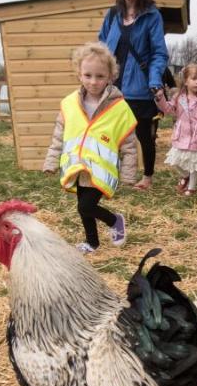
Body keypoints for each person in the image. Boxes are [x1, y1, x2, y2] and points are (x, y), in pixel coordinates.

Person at [43, 42, 137, 254]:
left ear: (110, 76)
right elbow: (59, 136)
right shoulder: (69, 104)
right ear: (79, 74)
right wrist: (51, 161)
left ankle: (115, 221)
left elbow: (129, 144)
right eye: (88, 75)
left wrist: (129, 174)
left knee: (86, 206)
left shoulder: (119, 108)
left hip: (100, 169)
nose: (93, 82)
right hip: (77, 165)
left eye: (100, 76)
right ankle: (92, 242)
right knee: (82, 209)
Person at [98, 0, 168, 191]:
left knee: (144, 135)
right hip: (112, 89)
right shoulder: (112, 15)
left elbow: (159, 53)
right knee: (109, 134)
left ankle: (147, 177)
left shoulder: (151, 15)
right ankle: (109, 176)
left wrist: (155, 80)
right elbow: (100, 48)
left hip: (139, 89)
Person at [155, 63, 197, 196]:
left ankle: (192, 187)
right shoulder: (178, 97)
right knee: (176, 161)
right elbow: (168, 109)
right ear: (186, 81)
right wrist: (160, 98)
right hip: (181, 135)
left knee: (194, 163)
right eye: (194, 79)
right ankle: (185, 175)